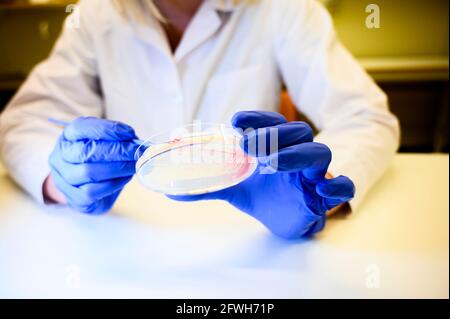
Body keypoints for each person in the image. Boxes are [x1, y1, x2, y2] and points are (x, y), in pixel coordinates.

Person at [0, 0, 399, 239]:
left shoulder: (282, 9)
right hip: (132, 241)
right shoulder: (97, 13)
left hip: (253, 242)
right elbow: (24, 121)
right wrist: (62, 179)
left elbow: (365, 116)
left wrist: (317, 191)